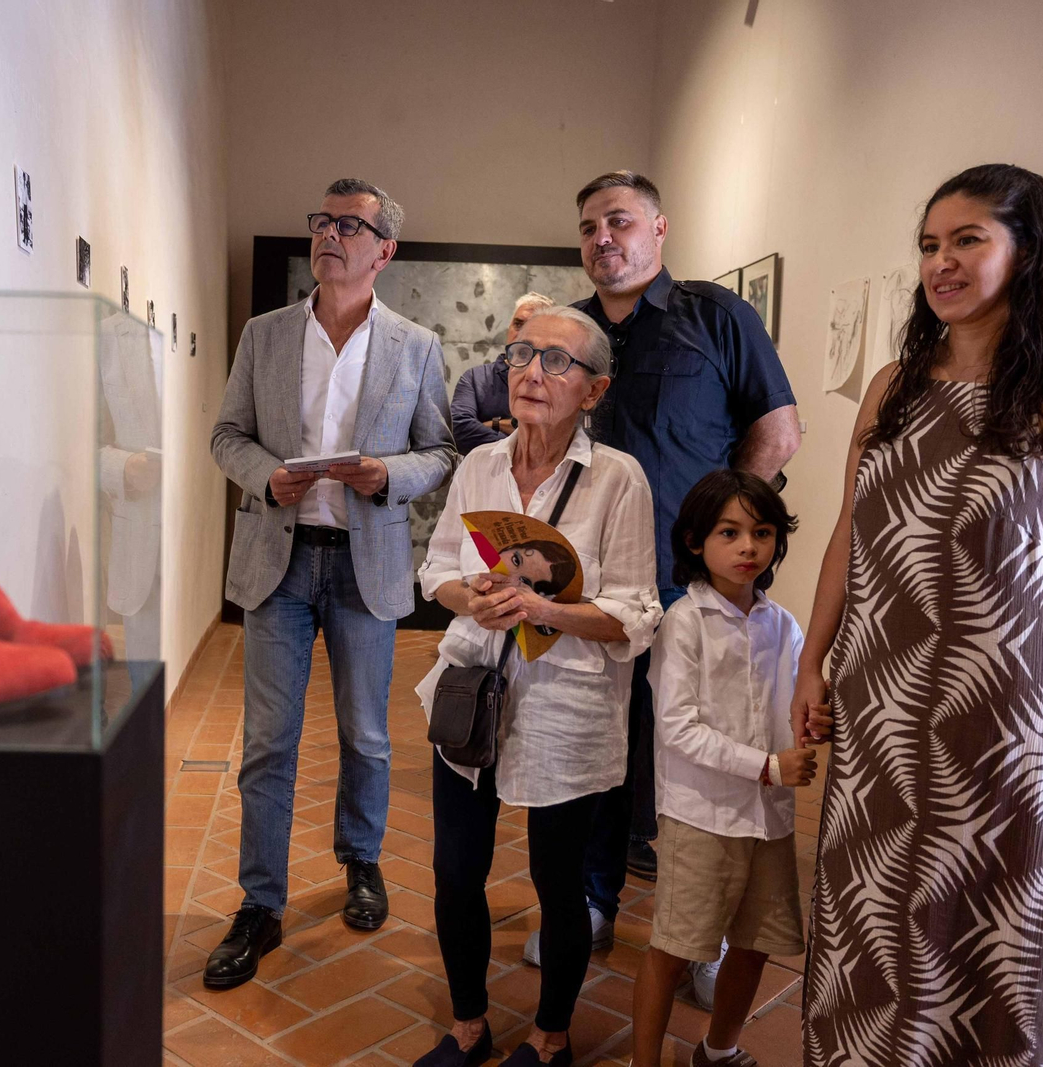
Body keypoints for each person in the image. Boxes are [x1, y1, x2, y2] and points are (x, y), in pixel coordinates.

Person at [796, 164, 1043, 1065]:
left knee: (989, 937)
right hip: (883, 713)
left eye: (969, 239)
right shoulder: (894, 384)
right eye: (931, 245)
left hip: (1009, 730)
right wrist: (813, 659)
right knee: (871, 922)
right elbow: (849, 540)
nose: (943, 262)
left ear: (1029, 250)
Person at [526, 170, 801, 1005]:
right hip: (596, 587)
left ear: (659, 228)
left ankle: (706, 935)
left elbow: (779, 429)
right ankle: (596, 899)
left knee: (698, 759)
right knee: (599, 745)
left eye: (619, 220)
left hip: (693, 590)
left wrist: (723, 526)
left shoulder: (717, 318)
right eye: (587, 227)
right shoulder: (572, 335)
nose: (602, 238)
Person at [206, 178, 456, 990]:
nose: (331, 234)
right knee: (269, 742)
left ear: (384, 250)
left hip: (364, 563)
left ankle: (362, 859)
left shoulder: (415, 346)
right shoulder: (265, 334)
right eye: (323, 220)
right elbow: (226, 434)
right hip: (277, 560)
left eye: (353, 225)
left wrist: (387, 473)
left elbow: (442, 452)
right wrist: (262, 473)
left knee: (366, 734)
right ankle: (259, 903)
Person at [412, 306, 661, 1067]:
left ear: (594, 390)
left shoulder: (618, 478)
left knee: (559, 883)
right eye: (522, 354)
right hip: (473, 689)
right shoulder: (480, 466)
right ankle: (468, 1024)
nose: (531, 371)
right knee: (455, 870)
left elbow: (633, 613)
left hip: (568, 702)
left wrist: (544, 607)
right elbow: (436, 571)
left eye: (557, 361)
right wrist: (474, 597)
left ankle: (552, 1036)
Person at [630, 469, 810, 1067]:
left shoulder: (782, 625)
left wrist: (815, 720)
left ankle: (719, 1048)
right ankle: (644, 1061)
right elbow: (678, 728)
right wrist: (766, 766)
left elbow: (791, 709)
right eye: (729, 533)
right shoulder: (684, 623)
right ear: (694, 542)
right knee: (674, 948)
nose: (748, 547)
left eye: (761, 532)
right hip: (701, 816)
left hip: (769, 820)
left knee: (758, 943)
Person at [450, 292, 555, 454]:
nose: (522, 334)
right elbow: (458, 430)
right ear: (508, 328)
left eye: (532, 326)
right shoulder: (476, 378)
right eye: (518, 324)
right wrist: (517, 442)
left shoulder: (556, 383)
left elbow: (553, 436)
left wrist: (492, 423)